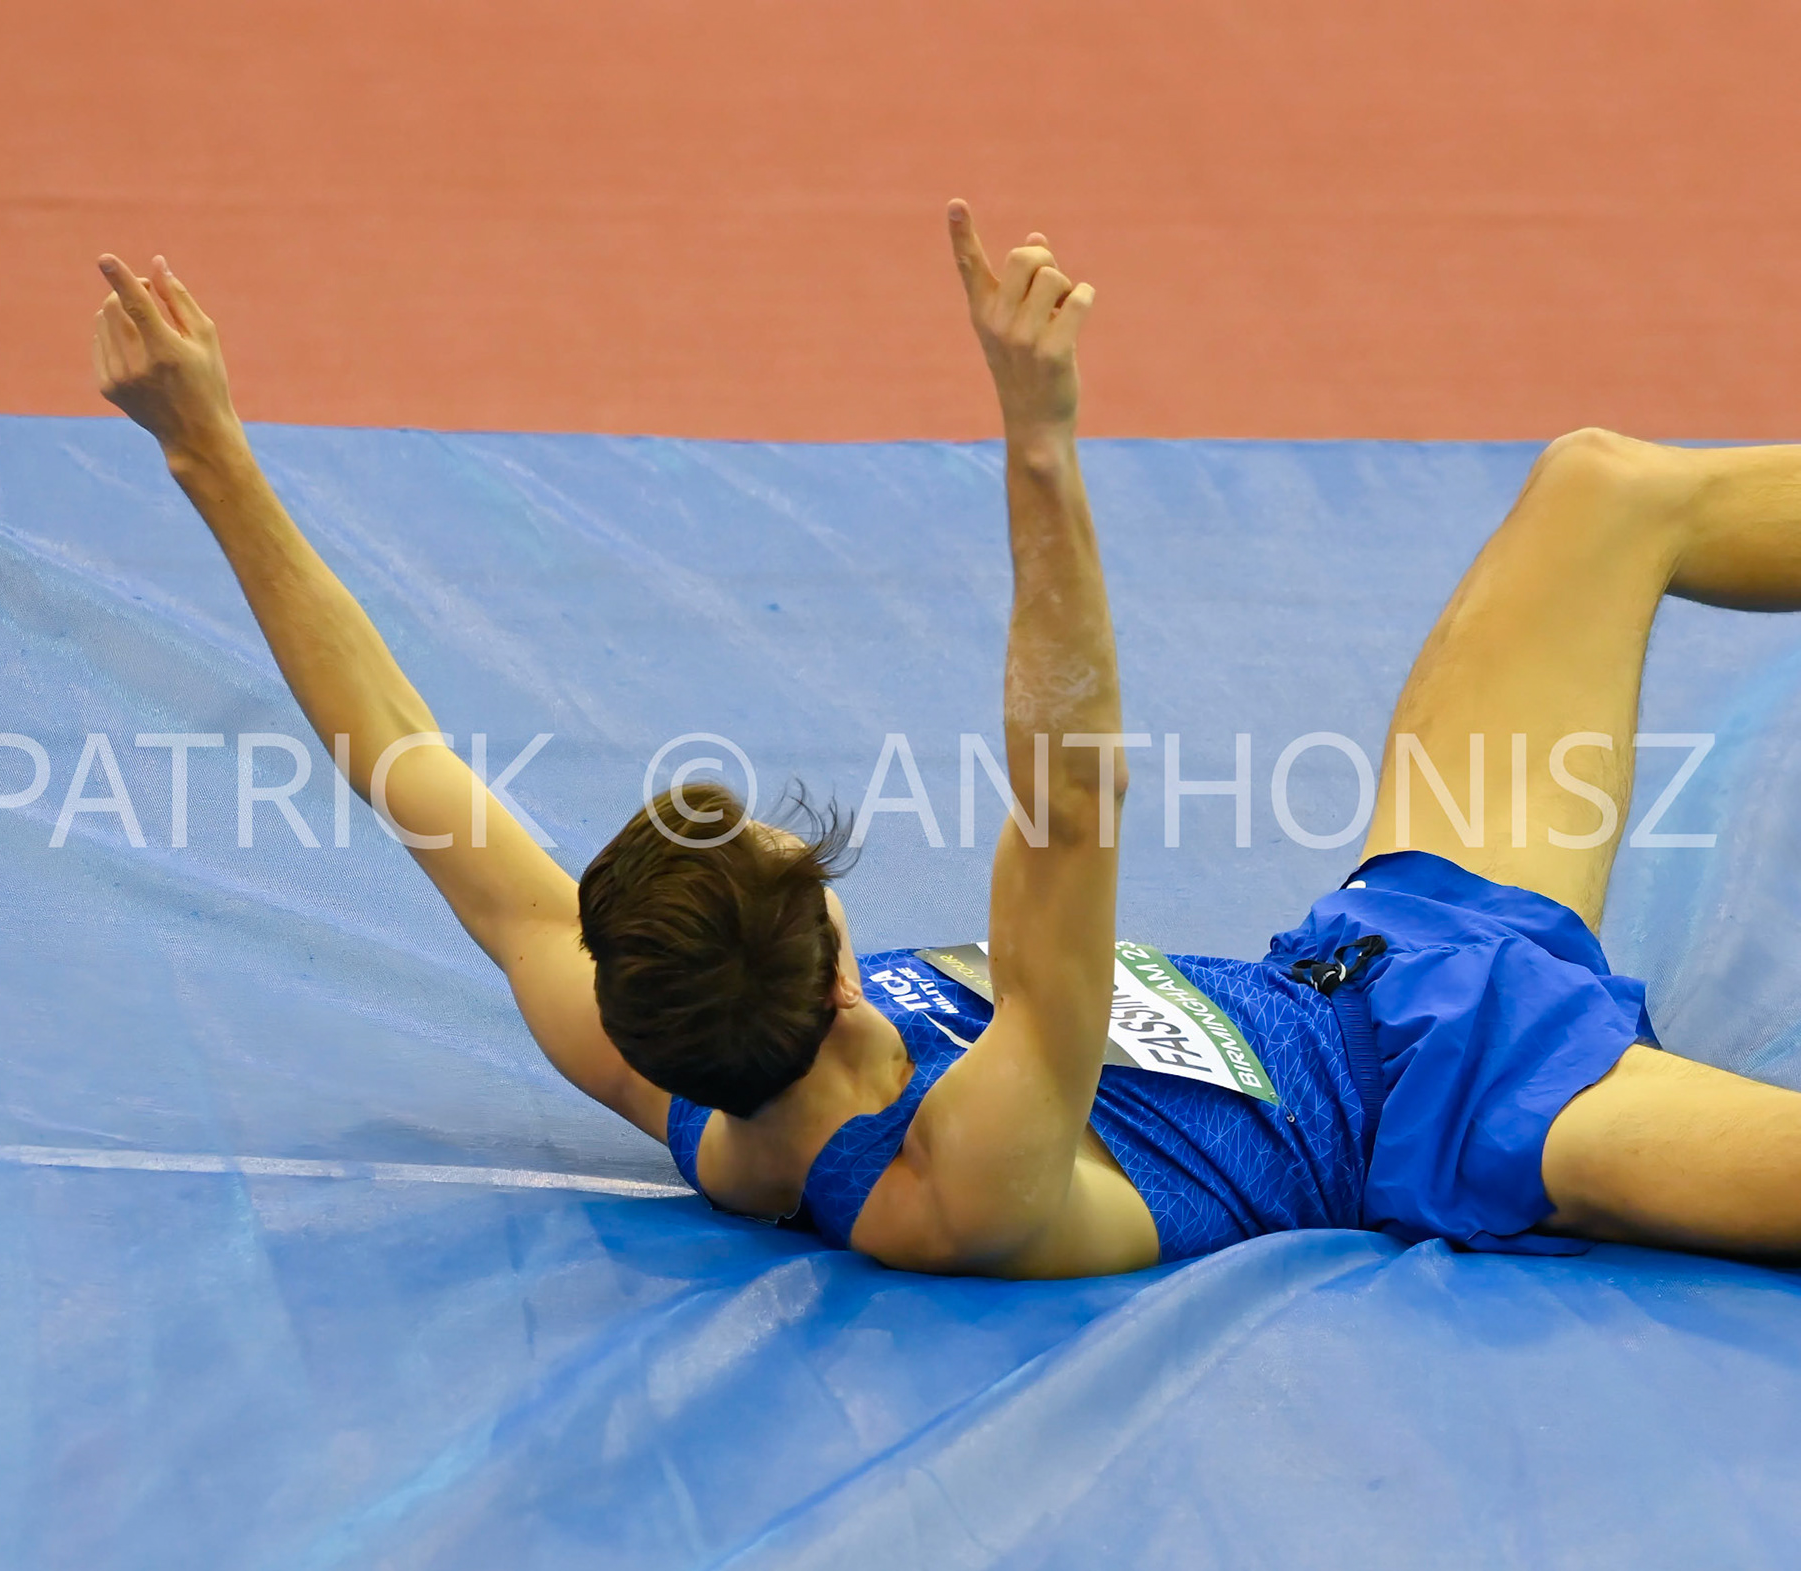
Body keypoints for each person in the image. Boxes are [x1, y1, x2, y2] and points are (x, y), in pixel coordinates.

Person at [91, 201, 1801, 1281]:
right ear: (835, 970)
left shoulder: (650, 1059)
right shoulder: (962, 1165)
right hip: (1479, 1107)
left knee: (1598, 492)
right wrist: (1039, 442)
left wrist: (212, 460)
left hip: (1381, 941)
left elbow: (401, 761)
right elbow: (1069, 798)